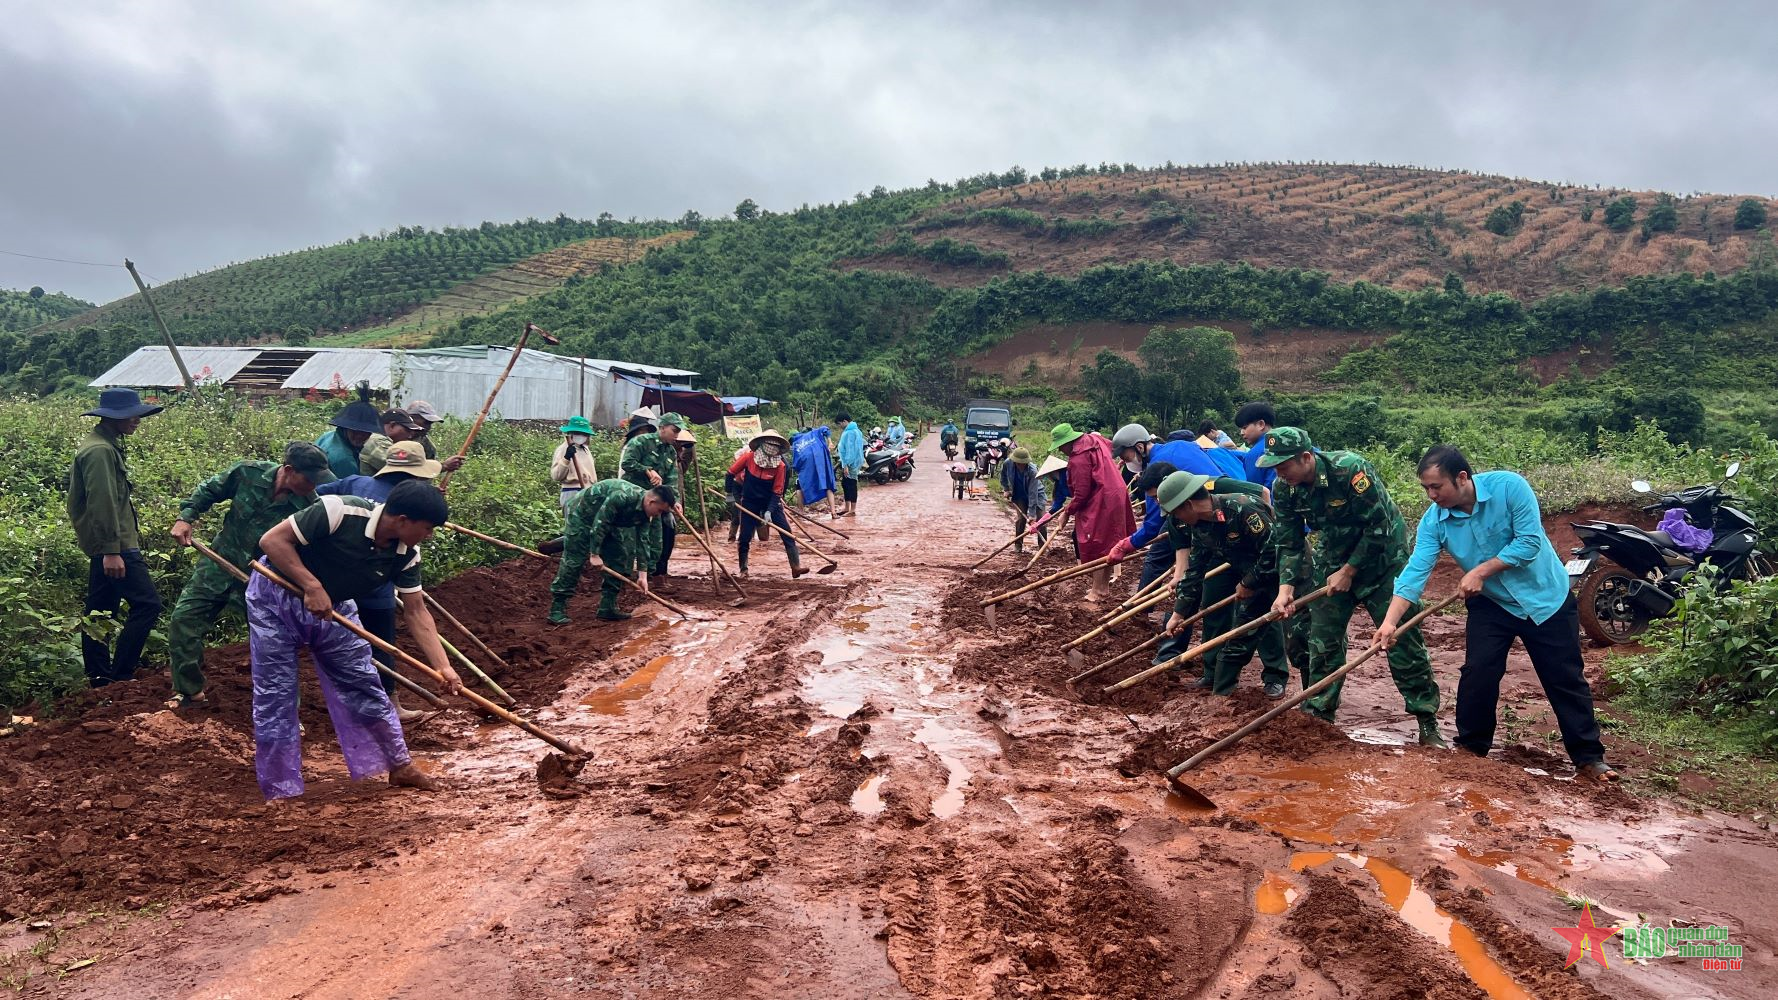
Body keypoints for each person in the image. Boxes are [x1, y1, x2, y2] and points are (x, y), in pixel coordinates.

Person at [1379, 446, 1616, 780]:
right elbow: (1415, 572)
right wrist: (1390, 623)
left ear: (1462, 478)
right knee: (1479, 672)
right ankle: (1470, 750)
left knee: (1563, 678)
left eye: (1437, 487)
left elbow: (1529, 542)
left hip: (1545, 598)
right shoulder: (1434, 522)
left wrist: (1480, 571)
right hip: (1493, 604)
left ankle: (1589, 759)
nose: (1431, 496)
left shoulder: (1509, 487)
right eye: (1426, 489)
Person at [250, 480, 461, 800]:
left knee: (364, 681)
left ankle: (399, 765)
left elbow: (417, 613)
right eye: (427, 528)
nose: (428, 536)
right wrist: (310, 584)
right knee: (276, 693)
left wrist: (443, 667)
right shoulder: (338, 511)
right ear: (403, 521)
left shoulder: (406, 554)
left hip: (334, 607)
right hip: (276, 597)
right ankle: (281, 787)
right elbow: (272, 541)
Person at [1262, 427, 1445, 746]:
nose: (1278, 472)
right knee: (1322, 642)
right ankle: (1320, 718)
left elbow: (1380, 527)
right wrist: (1285, 589)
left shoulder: (1350, 469)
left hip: (1383, 561)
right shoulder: (1284, 488)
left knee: (1401, 639)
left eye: (1283, 464)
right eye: (1274, 466)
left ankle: (1427, 722)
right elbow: (1289, 542)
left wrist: (1350, 571)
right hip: (1333, 559)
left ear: (1306, 458)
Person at [165, 442, 334, 709]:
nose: (313, 486)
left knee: (274, 641)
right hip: (219, 564)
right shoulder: (248, 473)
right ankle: (189, 692)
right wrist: (185, 518)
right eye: (309, 479)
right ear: (289, 470)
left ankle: (283, 708)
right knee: (183, 620)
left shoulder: (309, 506)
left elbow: (313, 552)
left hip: (265, 581)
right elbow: (209, 490)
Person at [314, 441, 443, 721]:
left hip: (334, 584)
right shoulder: (406, 506)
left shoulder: (354, 483)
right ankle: (386, 703)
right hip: (374, 586)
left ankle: (355, 706)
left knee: (337, 644)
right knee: (379, 643)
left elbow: (314, 497)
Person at [1108, 462, 1266, 664]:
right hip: (1211, 550)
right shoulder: (1175, 512)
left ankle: (1272, 673)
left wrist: (1264, 531)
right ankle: (1185, 659)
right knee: (1201, 598)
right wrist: (1178, 577)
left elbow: (1263, 494)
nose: (1158, 503)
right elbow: (1183, 547)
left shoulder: (1215, 488)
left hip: (1243, 548)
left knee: (1258, 602)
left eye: (1157, 497)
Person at [1158, 472, 1291, 696]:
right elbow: (1195, 570)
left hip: (1277, 571)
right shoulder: (1200, 527)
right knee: (1225, 621)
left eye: (1175, 513)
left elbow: (1274, 551)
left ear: (1188, 505)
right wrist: (1178, 613)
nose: (1176, 520)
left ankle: (1275, 678)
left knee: (1262, 621)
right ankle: (1218, 686)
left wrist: (1249, 582)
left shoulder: (1243, 508)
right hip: (1241, 565)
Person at [68, 387, 165, 687]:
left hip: (111, 543)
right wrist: (112, 551)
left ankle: (99, 678)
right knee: (148, 604)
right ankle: (121, 676)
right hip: (115, 545)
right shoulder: (100, 451)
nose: (137, 420)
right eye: (132, 415)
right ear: (114, 418)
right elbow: (102, 502)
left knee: (100, 610)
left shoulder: (106, 444)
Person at [548, 479, 674, 624]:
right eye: (660, 510)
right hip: (582, 514)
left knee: (619, 556)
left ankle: (607, 607)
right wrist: (594, 554)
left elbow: (643, 541)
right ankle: (557, 609)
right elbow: (600, 522)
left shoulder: (646, 513)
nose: (659, 515)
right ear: (652, 501)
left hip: (609, 521)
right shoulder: (622, 496)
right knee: (574, 559)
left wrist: (642, 576)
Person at [1051, 423, 1136, 603]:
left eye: (1060, 447)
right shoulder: (1095, 439)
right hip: (1117, 493)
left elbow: (1081, 493)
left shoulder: (1078, 458)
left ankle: (1098, 590)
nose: (1061, 451)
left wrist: (1067, 512)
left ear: (1067, 443)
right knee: (1107, 543)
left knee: (1095, 544)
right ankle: (1102, 588)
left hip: (1101, 499)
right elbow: (1113, 447)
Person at [620, 412, 685, 591]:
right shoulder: (641, 442)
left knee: (656, 542)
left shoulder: (670, 451)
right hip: (634, 500)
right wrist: (647, 470)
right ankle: (624, 580)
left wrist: (675, 501)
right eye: (675, 430)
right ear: (662, 428)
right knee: (630, 541)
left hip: (656, 505)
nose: (677, 435)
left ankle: (648, 579)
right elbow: (627, 464)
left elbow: (671, 480)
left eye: (678, 431)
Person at [729, 429, 807, 578]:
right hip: (750, 501)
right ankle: (743, 570)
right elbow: (730, 473)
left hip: (770, 502)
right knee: (745, 536)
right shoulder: (748, 458)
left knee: (787, 533)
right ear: (762, 445)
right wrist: (730, 495)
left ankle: (795, 567)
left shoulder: (780, 466)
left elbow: (777, 491)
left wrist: (770, 511)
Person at [315, 383, 383, 480]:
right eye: (355, 431)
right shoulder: (344, 459)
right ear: (346, 428)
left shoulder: (329, 436)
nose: (360, 436)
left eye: (366, 432)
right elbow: (350, 490)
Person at [999, 448, 1049, 553]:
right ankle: (1018, 545)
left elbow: (1033, 493)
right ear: (1015, 461)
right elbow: (1003, 475)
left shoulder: (1032, 471)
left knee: (1041, 520)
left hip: (1037, 495)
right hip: (1019, 495)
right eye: (1019, 463)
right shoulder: (1008, 463)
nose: (1021, 465)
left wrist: (1032, 515)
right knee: (1021, 520)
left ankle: (1042, 547)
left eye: (1024, 463)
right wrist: (1006, 489)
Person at [551, 415, 599, 518]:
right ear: (571, 433)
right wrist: (566, 458)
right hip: (571, 492)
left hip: (587, 492)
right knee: (574, 529)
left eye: (583, 433)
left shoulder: (586, 450)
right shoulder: (563, 449)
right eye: (577, 433)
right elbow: (556, 476)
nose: (580, 436)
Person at [398, 399, 465, 472]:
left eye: (430, 423)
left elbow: (426, 472)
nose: (428, 427)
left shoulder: (427, 446)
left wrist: (443, 466)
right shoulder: (393, 436)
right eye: (426, 422)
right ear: (411, 418)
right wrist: (442, 466)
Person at [359, 408, 424, 475]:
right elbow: (401, 469)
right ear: (392, 426)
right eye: (407, 430)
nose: (410, 436)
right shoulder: (378, 442)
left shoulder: (381, 440)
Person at [1234, 401, 1278, 489]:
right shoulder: (1289, 443)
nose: (1241, 433)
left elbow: (1254, 491)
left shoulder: (1255, 453)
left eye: (1244, 427)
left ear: (1261, 424)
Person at [835, 414, 865, 516]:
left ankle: (852, 510)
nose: (840, 426)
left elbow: (850, 451)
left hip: (851, 463)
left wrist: (846, 465)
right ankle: (847, 507)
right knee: (845, 484)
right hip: (851, 462)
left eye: (839, 424)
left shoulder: (850, 433)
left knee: (851, 485)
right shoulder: (854, 431)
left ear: (844, 421)